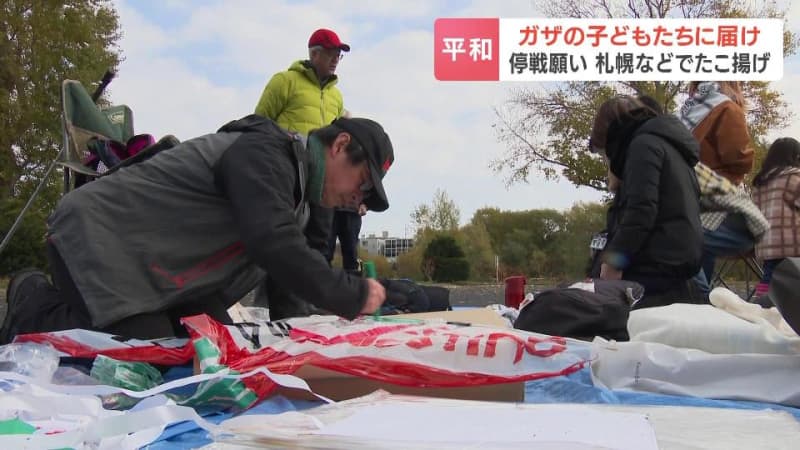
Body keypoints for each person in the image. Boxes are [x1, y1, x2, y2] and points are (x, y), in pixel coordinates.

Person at [0, 115, 394, 343]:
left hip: (158, 274)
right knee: (148, 352)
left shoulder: (300, 202)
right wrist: (351, 293)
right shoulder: (267, 154)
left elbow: (287, 276)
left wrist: (301, 342)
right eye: (362, 185)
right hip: (98, 239)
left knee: (215, 345)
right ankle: (31, 302)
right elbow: (273, 243)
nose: (357, 201)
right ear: (340, 145)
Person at [589, 95, 703, 309]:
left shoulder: (642, 145)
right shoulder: (670, 146)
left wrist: (614, 261)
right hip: (680, 262)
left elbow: (641, 211)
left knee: (593, 284)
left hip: (657, 265)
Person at [254, 28, 349, 135]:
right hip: (282, 151)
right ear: (314, 54)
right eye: (330, 54)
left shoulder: (336, 96)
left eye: (338, 55)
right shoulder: (284, 81)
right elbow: (257, 124)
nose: (335, 60)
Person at [679, 81, 753, 185]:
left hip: (682, 185)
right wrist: (749, 160)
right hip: (710, 188)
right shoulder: (728, 108)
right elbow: (737, 157)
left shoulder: (688, 109)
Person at [752, 137, 800, 295]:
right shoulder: (795, 178)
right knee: (794, 280)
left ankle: (760, 302)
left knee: (768, 278)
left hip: (767, 245)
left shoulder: (760, 183)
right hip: (793, 244)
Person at [327, 203, 367, 274]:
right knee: (323, 253)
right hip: (327, 207)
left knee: (351, 256)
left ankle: (353, 282)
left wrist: (366, 204)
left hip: (352, 210)